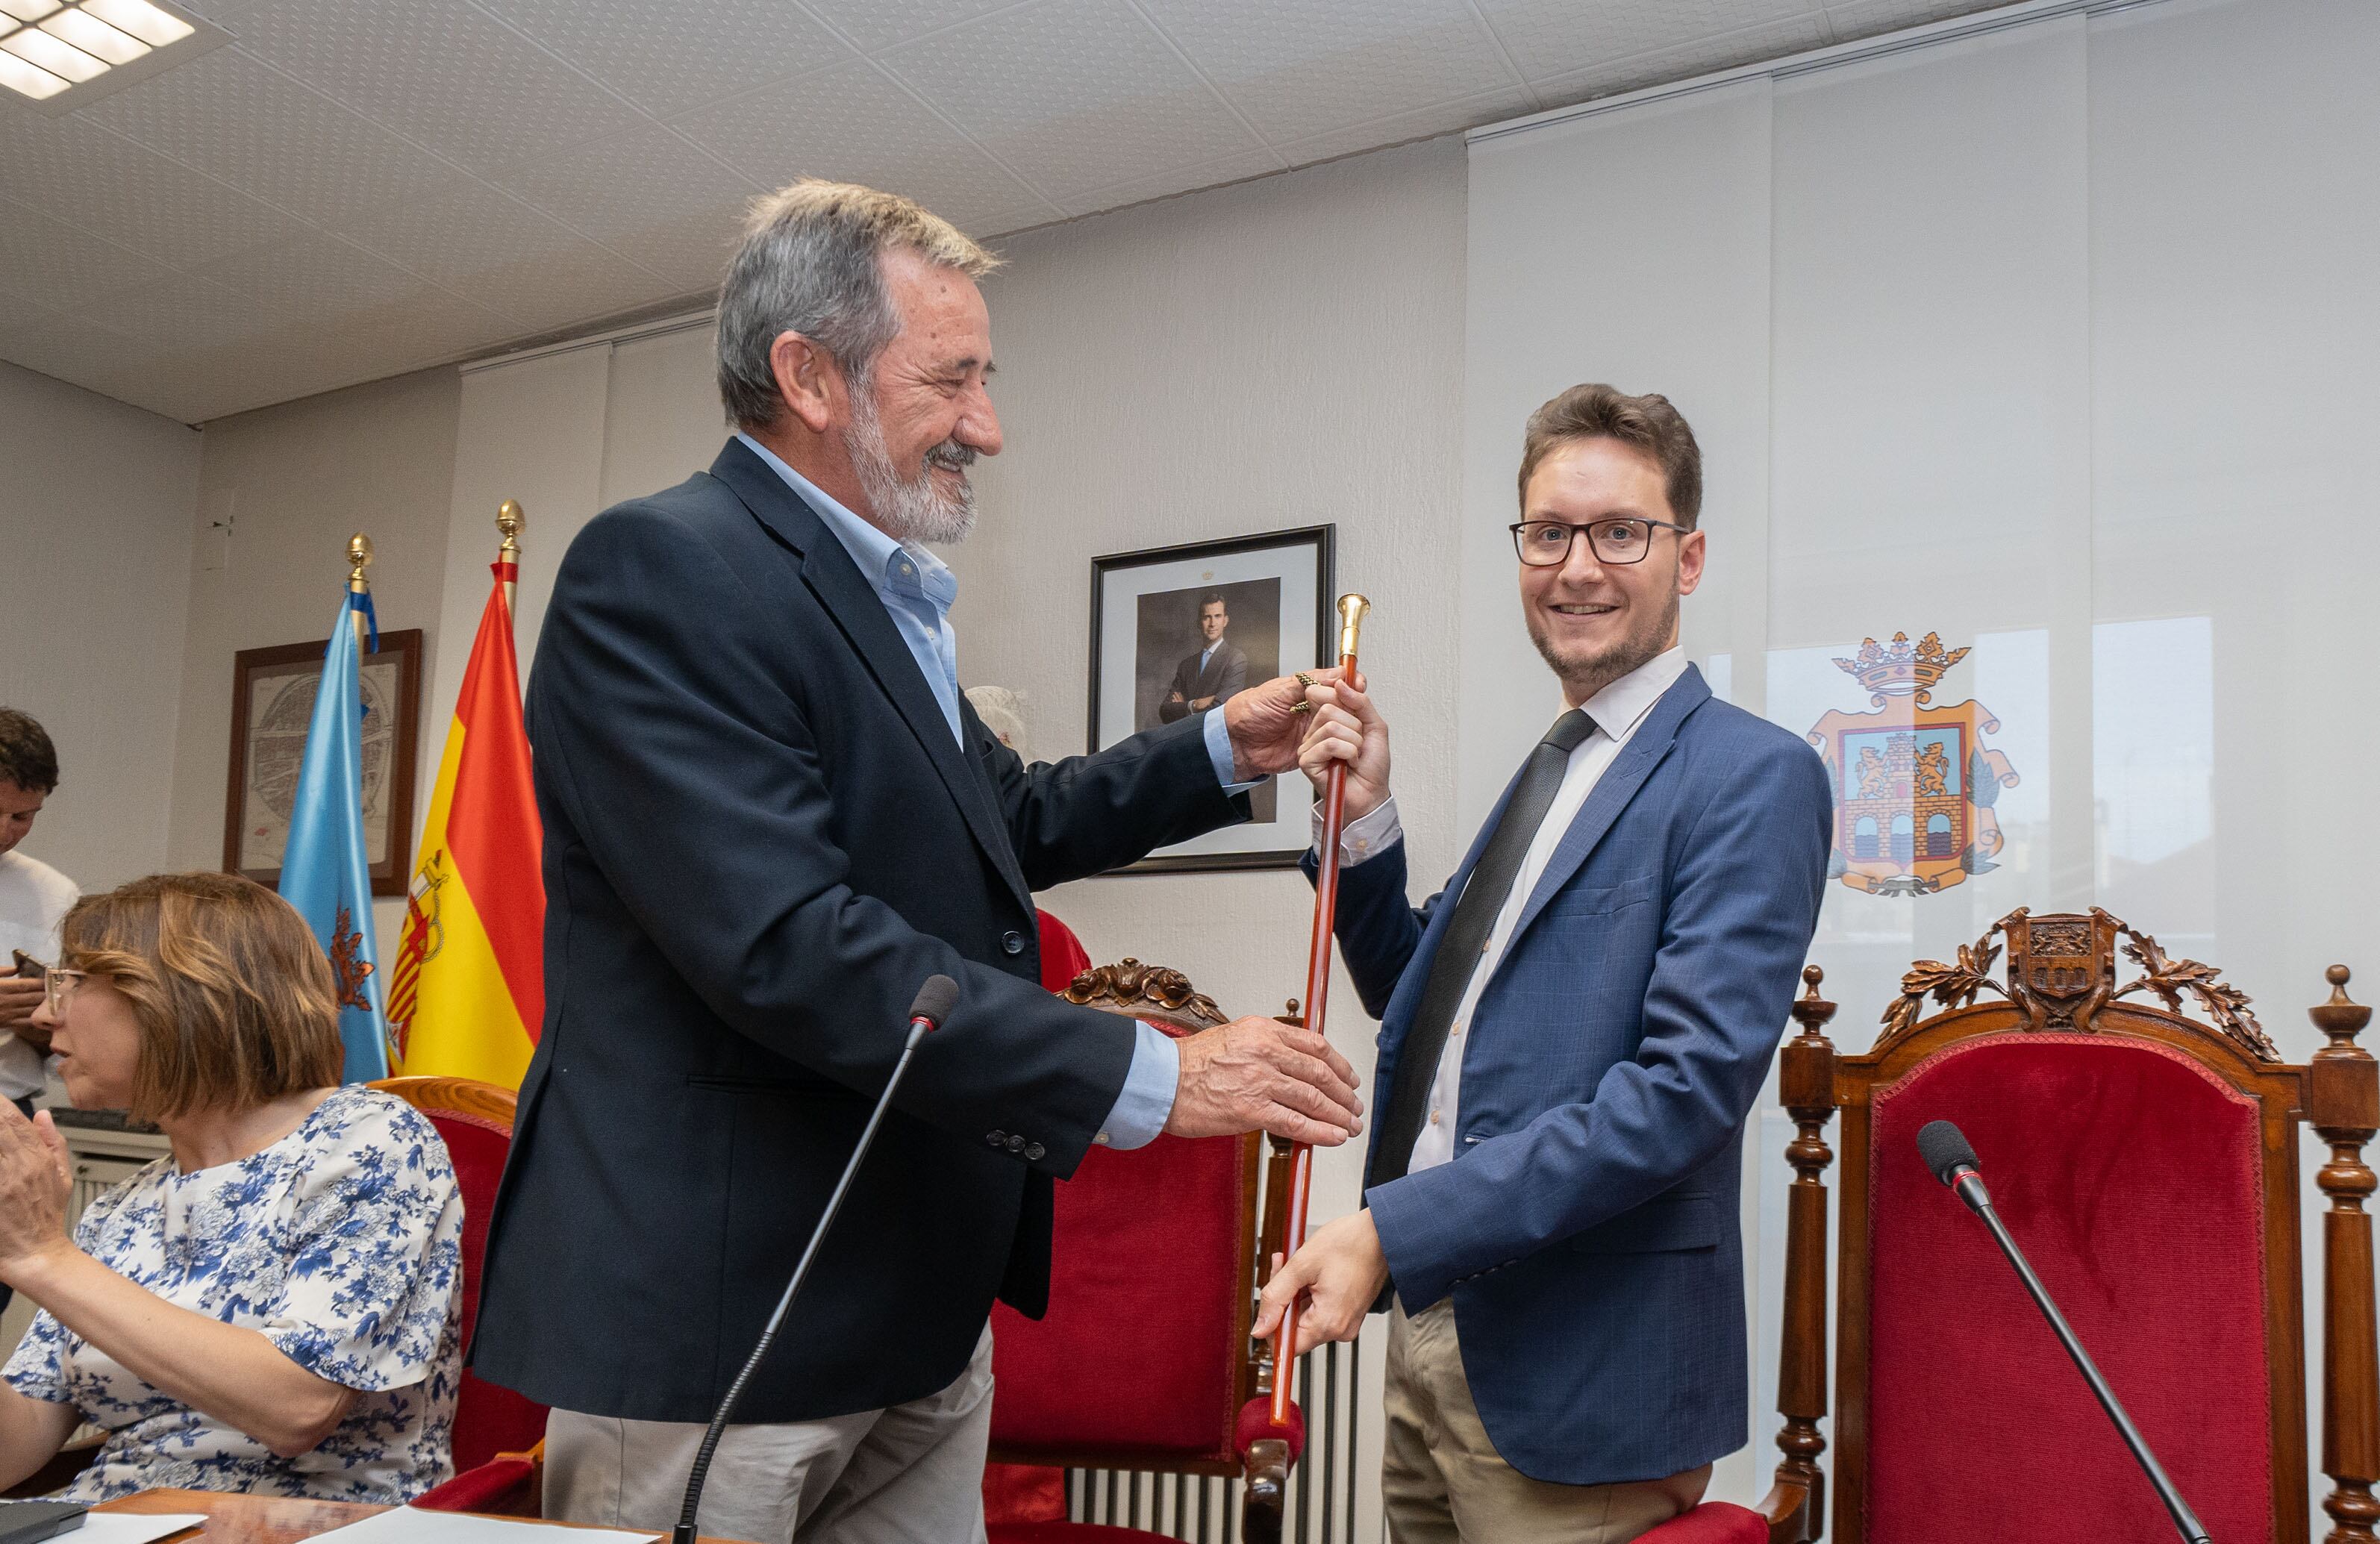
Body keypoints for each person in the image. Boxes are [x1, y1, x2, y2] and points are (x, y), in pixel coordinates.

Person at [471, 179, 1363, 1544]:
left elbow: (1003, 822)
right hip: (729, 1325)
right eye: (952, 379)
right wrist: (1155, 1070)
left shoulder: (875, 595)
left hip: (917, 1314)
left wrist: (1215, 752)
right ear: (808, 375)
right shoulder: (658, 569)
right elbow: (787, 943)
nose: (987, 425)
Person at [1255, 385, 1832, 1543]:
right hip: (1437, 1336)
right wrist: (1363, 821)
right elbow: (1423, 1001)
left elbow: (1682, 1095)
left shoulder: (1749, 774)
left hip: (1587, 1377)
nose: (1578, 567)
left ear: (1692, 554)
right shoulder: (1553, 766)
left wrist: (1389, 1231)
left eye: (1622, 531)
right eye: (1549, 534)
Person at [0, 872, 462, 1504]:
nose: (47, 1011)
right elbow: (16, 1445)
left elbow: (296, 1407)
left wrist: (43, 1258)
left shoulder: (370, 1142)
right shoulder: (120, 1208)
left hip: (308, 1525)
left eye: (71, 982)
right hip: (113, 1517)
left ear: (177, 996)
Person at [0, 710, 78, 1325]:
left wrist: (41, 1020)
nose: (7, 831)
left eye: (23, 816)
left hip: (10, 1118)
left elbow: (70, 1039)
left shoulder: (55, 893)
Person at [1157, 594, 1249, 724]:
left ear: (1225, 621)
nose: (1212, 624)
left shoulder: (1236, 659)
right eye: (1207, 617)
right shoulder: (1186, 665)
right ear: (1199, 623)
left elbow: (1222, 709)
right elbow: (1165, 711)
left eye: (1217, 616)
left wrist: (1183, 707)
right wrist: (1194, 705)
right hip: (1186, 742)